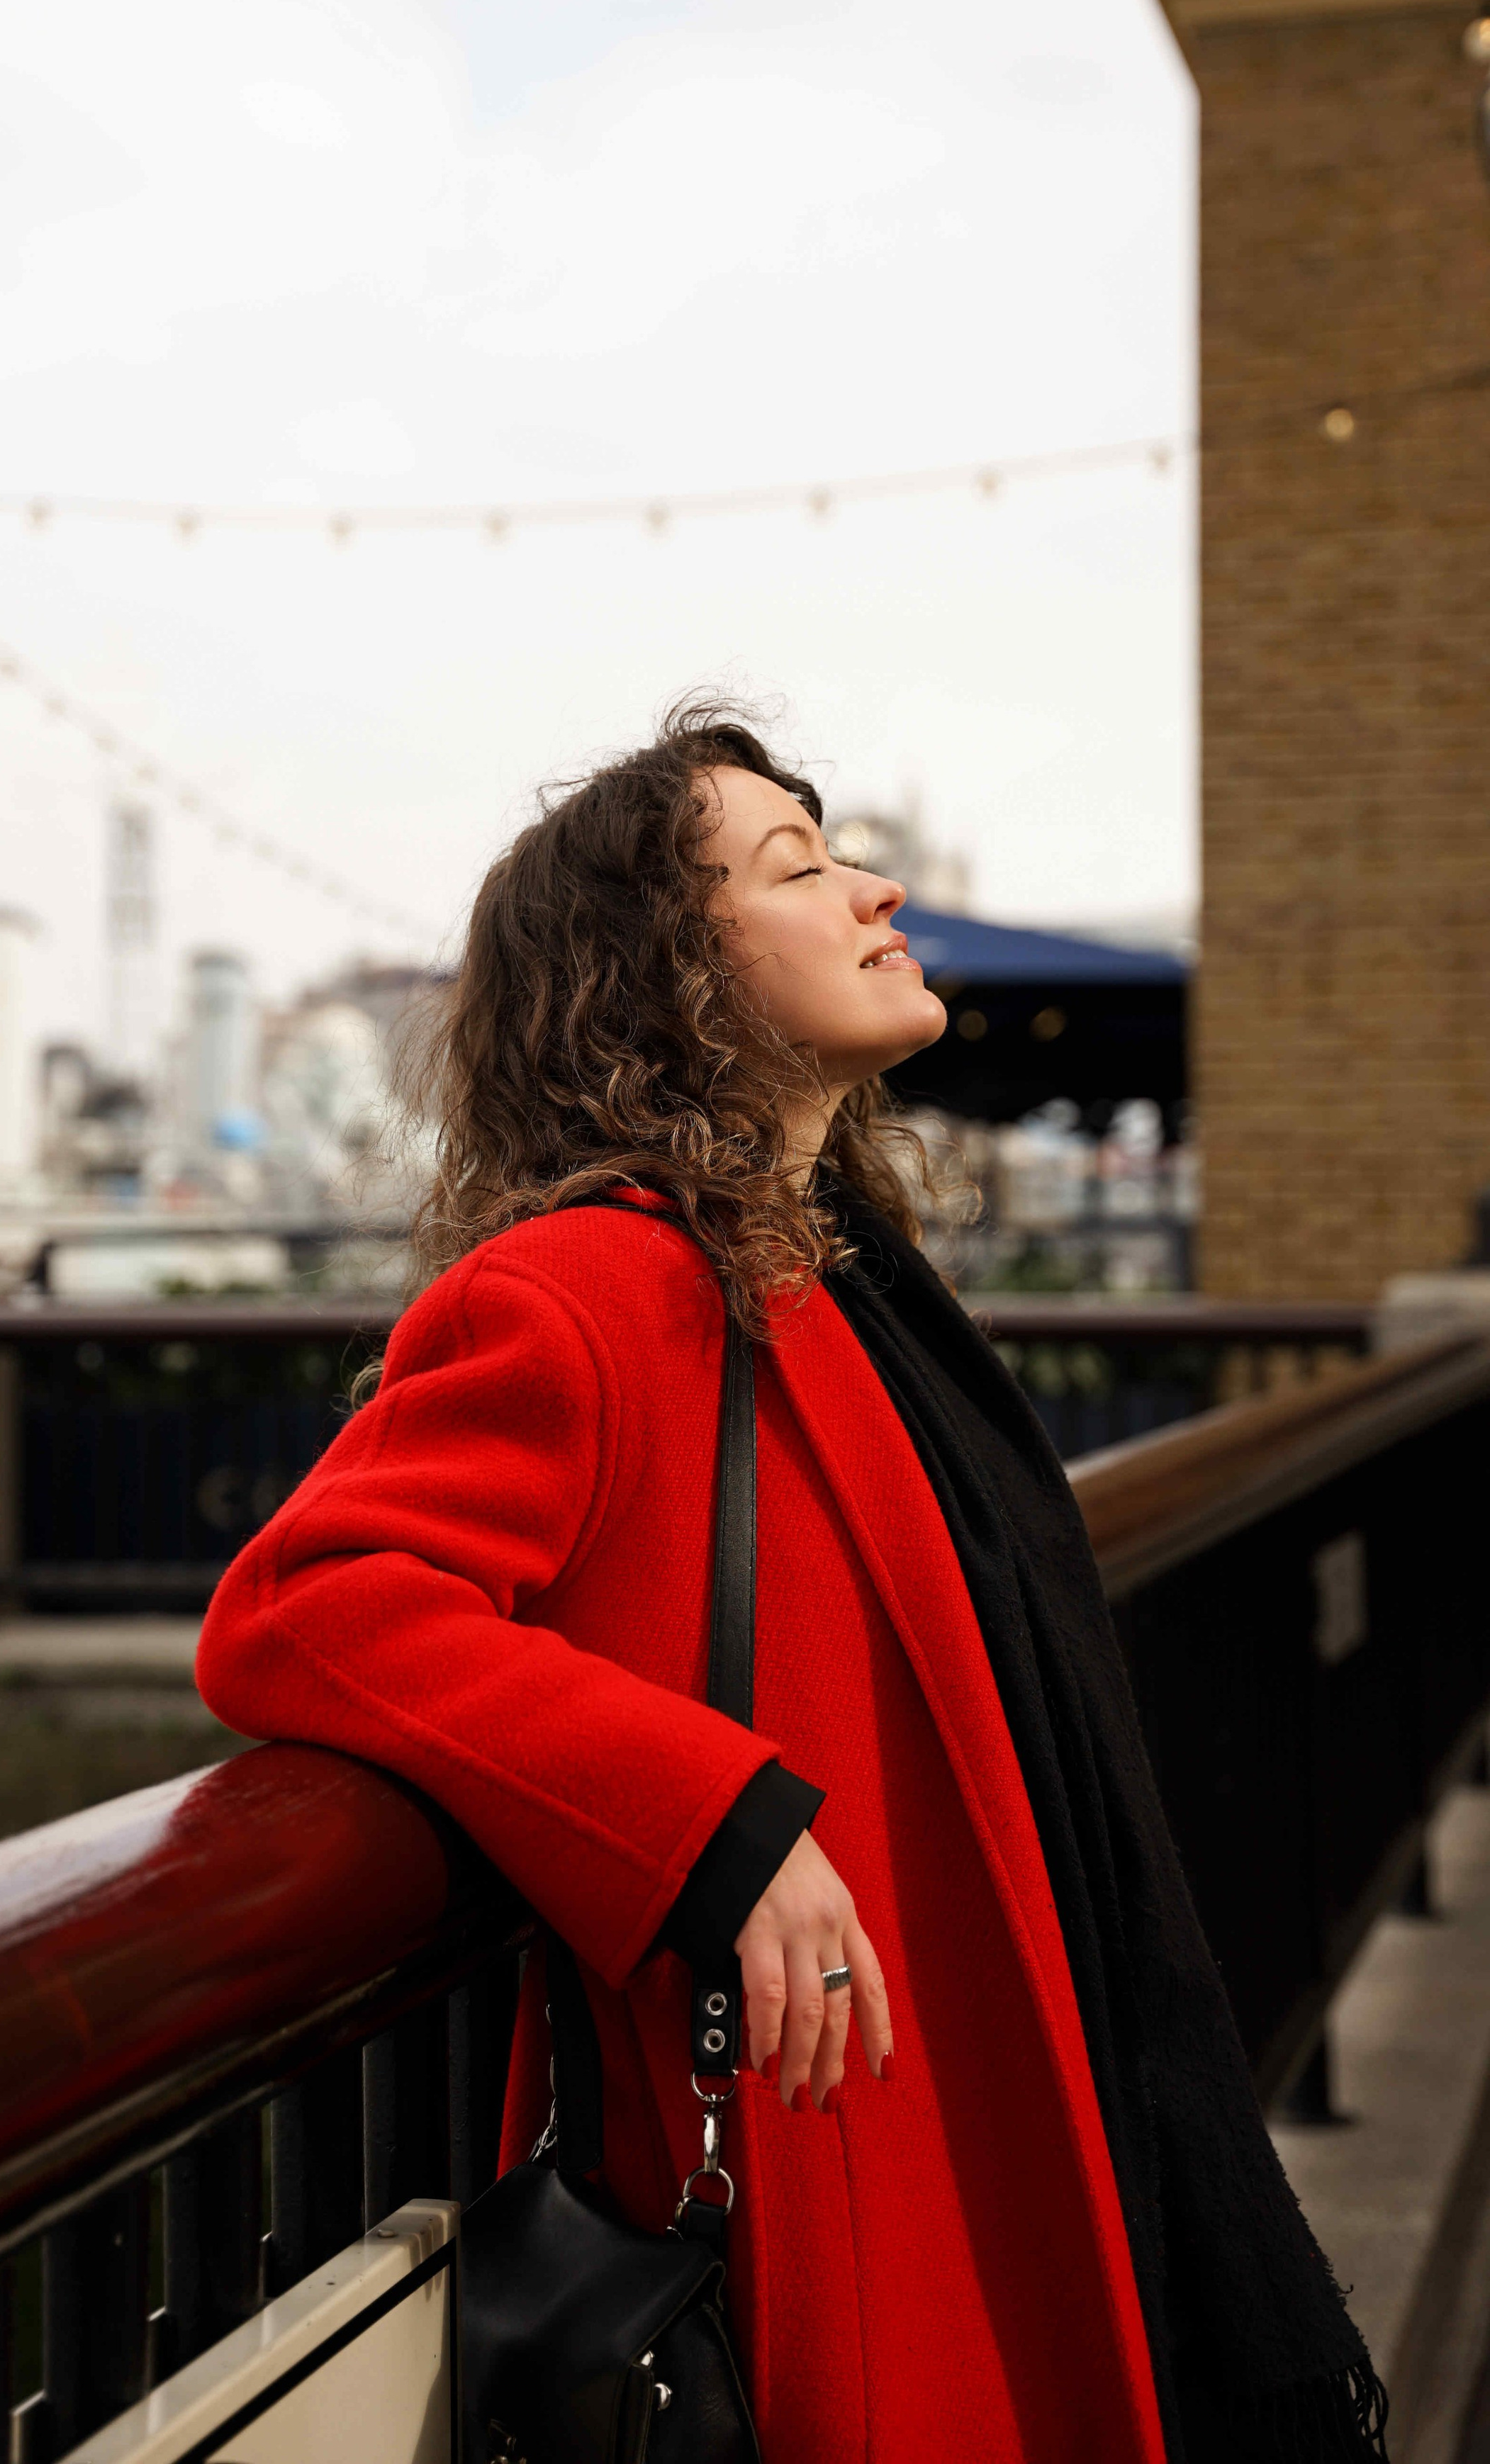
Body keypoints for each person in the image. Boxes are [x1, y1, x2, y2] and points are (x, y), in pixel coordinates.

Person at [196, 704, 1388, 2464]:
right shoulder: (587, 1288)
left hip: (966, 2070)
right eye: (796, 867)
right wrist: (706, 1819)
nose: (872, 890)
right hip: (839, 2129)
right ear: (662, 972)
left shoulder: (840, 1285)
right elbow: (307, 1606)